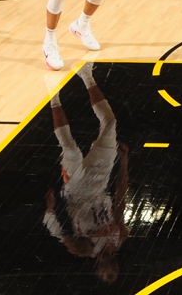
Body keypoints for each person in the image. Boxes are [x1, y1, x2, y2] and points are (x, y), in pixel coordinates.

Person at [44, 64, 129, 284]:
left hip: (77, 191)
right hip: (100, 182)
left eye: (108, 273)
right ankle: (86, 75)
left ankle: (53, 95)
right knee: (110, 123)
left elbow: (60, 234)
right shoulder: (120, 237)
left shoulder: (84, 249)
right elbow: (120, 198)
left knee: (70, 148)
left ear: (98, 270)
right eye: (115, 271)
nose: (112, 268)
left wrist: (51, 210)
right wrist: (124, 163)